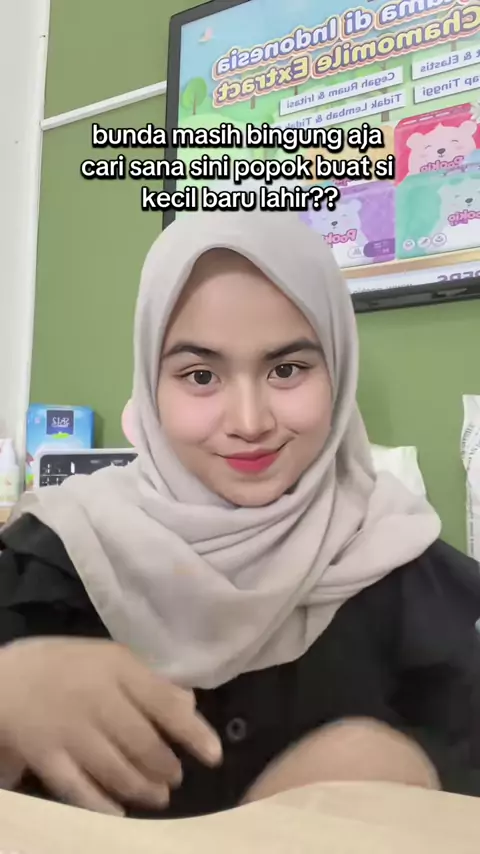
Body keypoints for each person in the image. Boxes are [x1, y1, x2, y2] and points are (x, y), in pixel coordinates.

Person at [0, 210, 479, 820]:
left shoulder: (416, 577)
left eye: (287, 369)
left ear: (338, 370)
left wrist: (419, 773)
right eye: (201, 375)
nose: (250, 422)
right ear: (150, 386)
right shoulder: (55, 554)